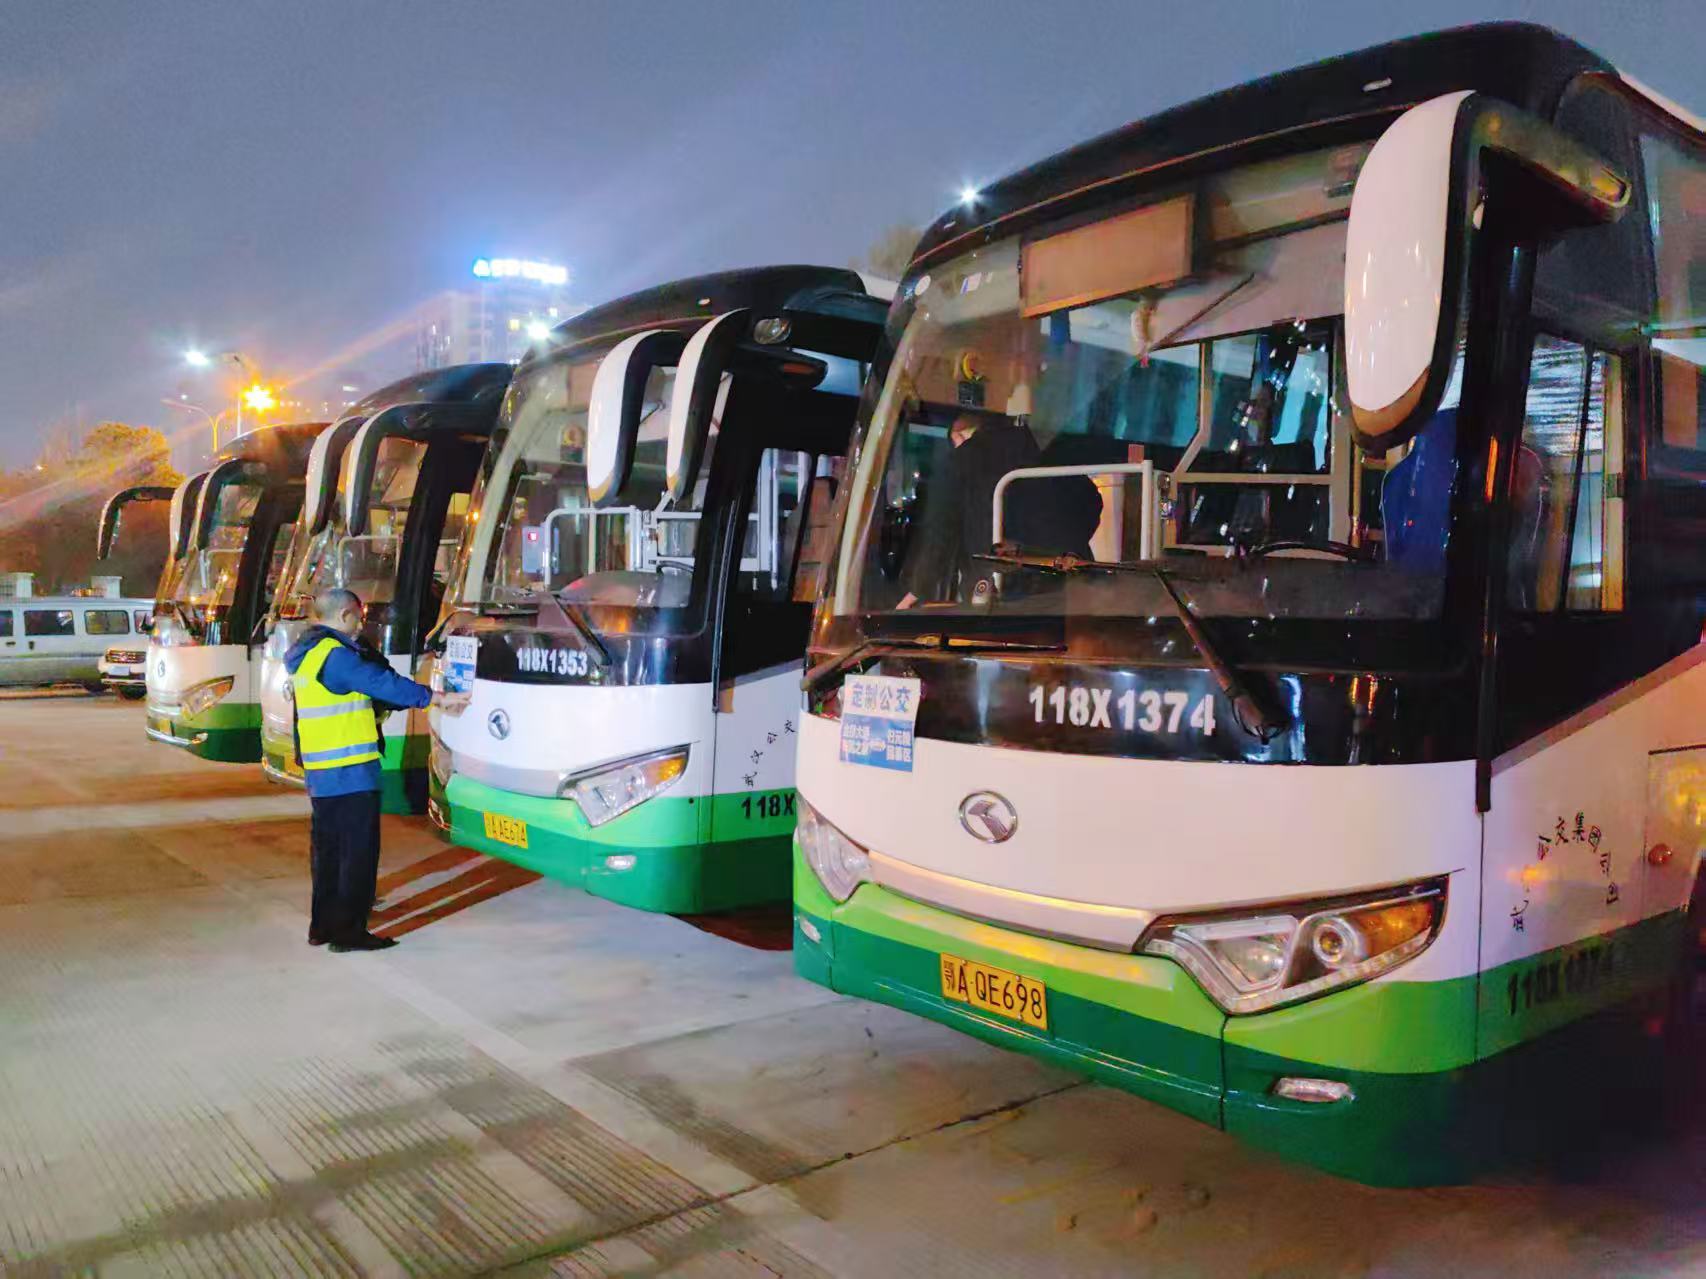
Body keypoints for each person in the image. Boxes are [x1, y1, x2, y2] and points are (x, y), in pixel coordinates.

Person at [285, 588, 467, 952]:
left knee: (328, 854)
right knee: (357, 856)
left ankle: (322, 926)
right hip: (350, 771)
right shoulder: (336, 655)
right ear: (344, 616)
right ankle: (349, 933)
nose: (360, 626)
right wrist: (436, 698)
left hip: (322, 773)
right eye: (358, 618)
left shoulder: (307, 654)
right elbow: (382, 683)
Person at [897, 411, 1101, 607]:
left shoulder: (960, 460)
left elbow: (940, 535)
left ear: (959, 435)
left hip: (998, 591)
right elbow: (1091, 500)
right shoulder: (1045, 447)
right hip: (1068, 584)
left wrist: (917, 590)